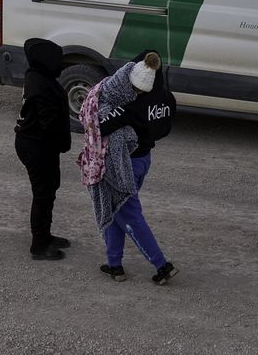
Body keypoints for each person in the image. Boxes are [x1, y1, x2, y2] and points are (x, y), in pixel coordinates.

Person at [79, 54, 176, 284]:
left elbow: (98, 126)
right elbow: (165, 130)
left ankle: (162, 265)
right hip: (144, 160)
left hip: (125, 165)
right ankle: (115, 265)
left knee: (129, 213)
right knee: (116, 210)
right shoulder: (167, 99)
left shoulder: (131, 105)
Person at [15, 39, 73, 261]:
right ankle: (39, 244)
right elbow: (50, 124)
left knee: (48, 192)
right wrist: (62, 145)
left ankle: (45, 235)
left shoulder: (36, 76)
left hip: (37, 144)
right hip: (38, 146)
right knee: (42, 194)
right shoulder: (42, 85)